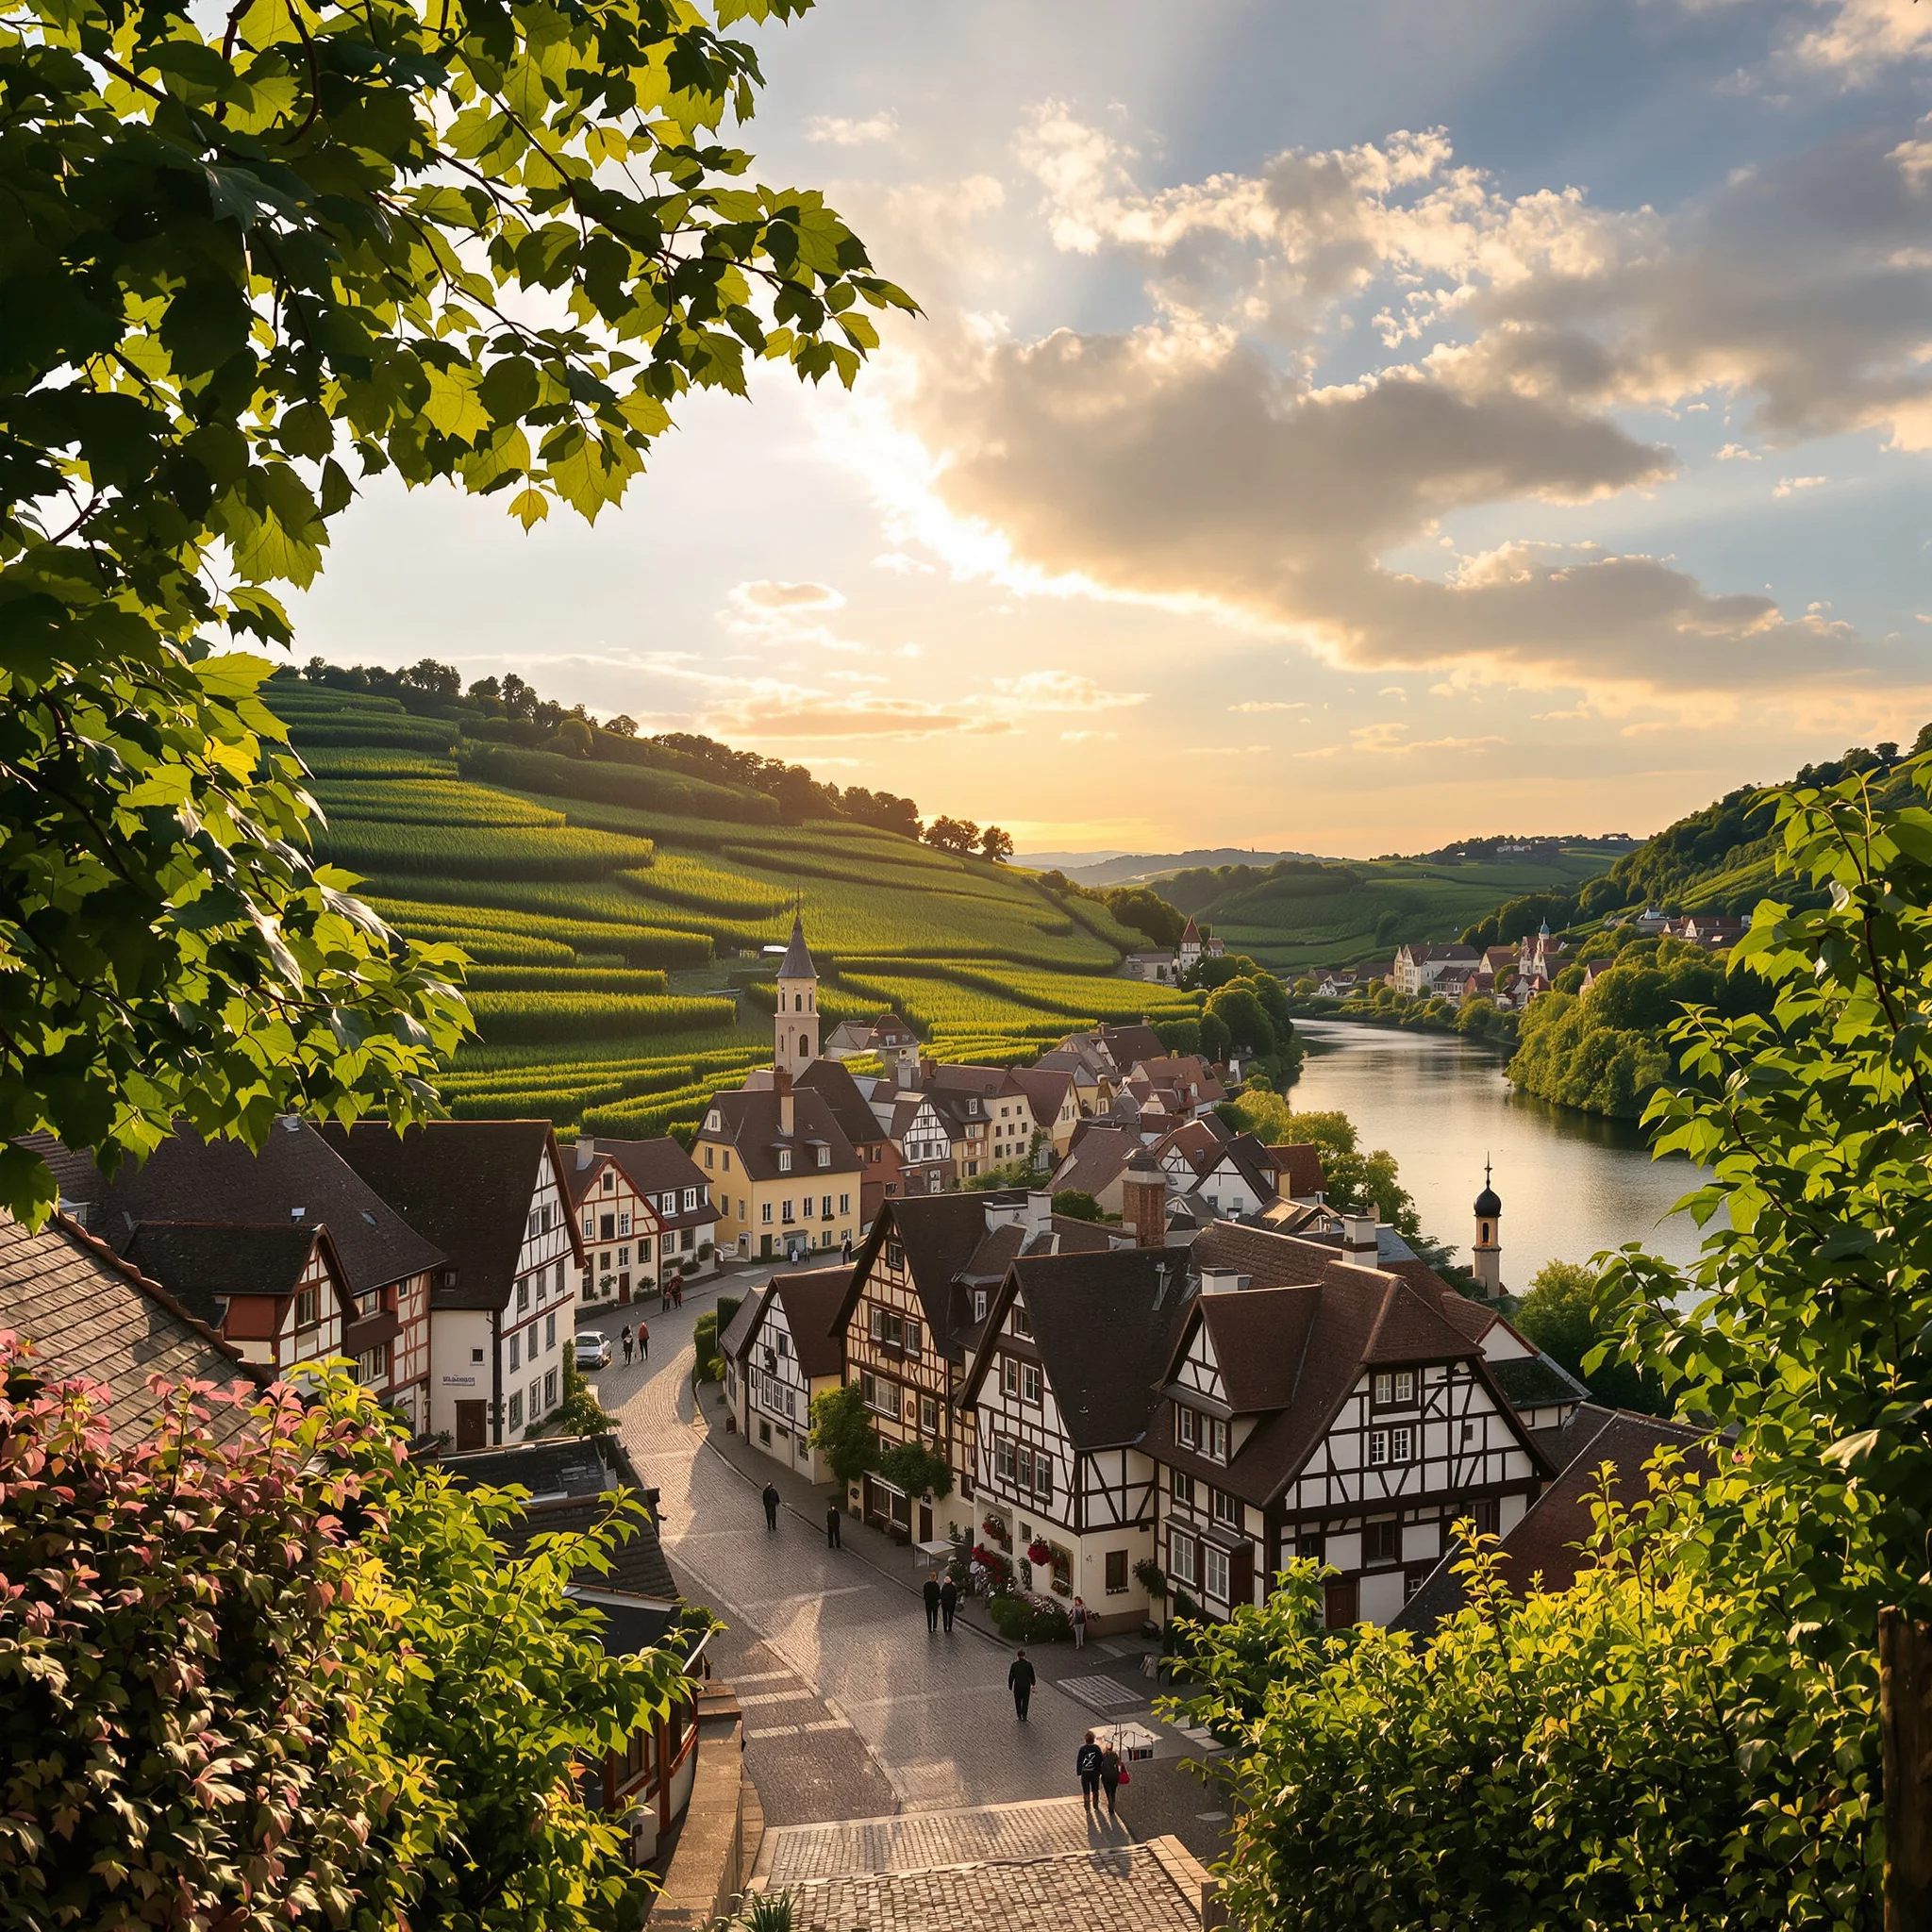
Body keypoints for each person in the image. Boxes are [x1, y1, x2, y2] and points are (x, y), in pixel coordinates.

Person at [1075, 1732, 1103, 1816]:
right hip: (1094, 1772)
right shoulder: (1096, 1748)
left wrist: (1079, 1771)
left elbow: (1079, 1761)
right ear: (1093, 1739)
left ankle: (1087, 1805)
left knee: (1086, 1789)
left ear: (1086, 1740)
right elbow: (1101, 1760)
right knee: (1095, 1789)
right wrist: (1100, 1770)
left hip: (1085, 1772)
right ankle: (1095, 1804)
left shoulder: (1082, 1749)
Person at [1098, 1739, 1124, 1823]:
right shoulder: (1115, 1755)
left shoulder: (1103, 1755)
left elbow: (1099, 1765)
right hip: (1114, 1776)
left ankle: (1110, 1802)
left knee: (1107, 1791)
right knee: (1113, 1791)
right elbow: (1119, 1764)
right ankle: (1112, 1804)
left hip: (1105, 1776)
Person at [1008, 1648, 1036, 1723]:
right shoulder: (1028, 1665)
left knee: (1018, 1701)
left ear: (1018, 1656)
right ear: (1025, 1656)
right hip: (1026, 1686)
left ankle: (1019, 1715)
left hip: (1017, 1686)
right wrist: (1033, 1684)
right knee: (1025, 1701)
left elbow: (1011, 1676)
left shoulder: (1014, 1665)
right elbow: (1032, 1675)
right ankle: (1024, 1716)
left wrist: (1010, 1685)